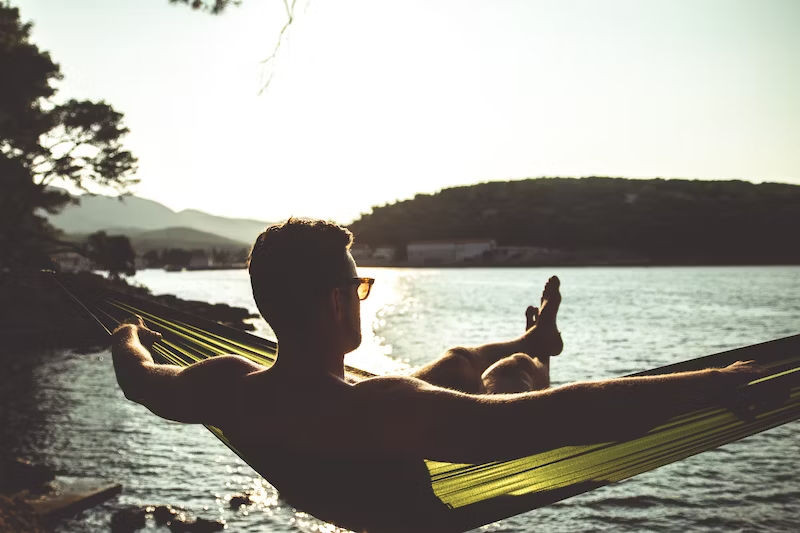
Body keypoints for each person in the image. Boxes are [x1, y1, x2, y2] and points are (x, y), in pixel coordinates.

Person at [111, 218, 760, 533]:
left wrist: (126, 330)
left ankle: (534, 336)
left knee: (452, 361)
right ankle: (533, 353)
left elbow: (139, 376)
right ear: (337, 301)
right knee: (508, 376)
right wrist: (718, 377)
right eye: (358, 283)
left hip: (335, 471)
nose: (361, 294)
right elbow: (566, 415)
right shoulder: (382, 407)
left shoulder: (225, 383)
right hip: (401, 493)